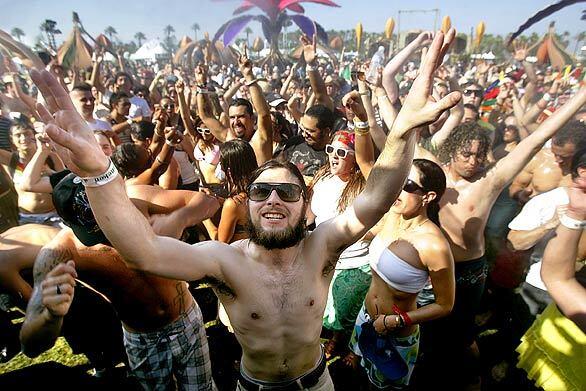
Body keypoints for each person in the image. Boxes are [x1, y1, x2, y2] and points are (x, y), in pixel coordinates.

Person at [31, 29, 460, 391]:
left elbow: (377, 195)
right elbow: (142, 250)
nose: (273, 200)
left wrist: (403, 129)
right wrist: (97, 172)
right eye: (262, 193)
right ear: (248, 203)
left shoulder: (322, 247)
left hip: (317, 383)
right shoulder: (224, 262)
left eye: (287, 194)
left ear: (305, 205)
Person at [423, 88, 586, 388]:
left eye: (479, 155)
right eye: (466, 154)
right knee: (429, 334)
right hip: (434, 269)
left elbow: (536, 140)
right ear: (452, 151)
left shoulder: (490, 180)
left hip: (468, 275)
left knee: (461, 338)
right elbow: (396, 138)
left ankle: (472, 379)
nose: (474, 161)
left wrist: (580, 96)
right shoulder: (434, 173)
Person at [351, 159, 455, 389]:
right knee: (359, 378)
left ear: (428, 197)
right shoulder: (392, 217)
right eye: (398, 181)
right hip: (366, 318)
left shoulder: (434, 246)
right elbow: (366, 162)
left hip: (395, 334)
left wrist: (395, 321)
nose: (397, 189)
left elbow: (445, 305)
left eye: (407, 185)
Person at [516, 153, 586, 391]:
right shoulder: (552, 200)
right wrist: (569, 217)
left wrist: (575, 217)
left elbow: (562, 277)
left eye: (563, 156)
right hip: (548, 303)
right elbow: (514, 241)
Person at [509, 120, 586, 204]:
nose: (558, 160)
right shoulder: (538, 158)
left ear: (580, 151)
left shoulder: (583, 173)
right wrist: (520, 195)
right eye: (554, 153)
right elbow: (516, 185)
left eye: (565, 157)